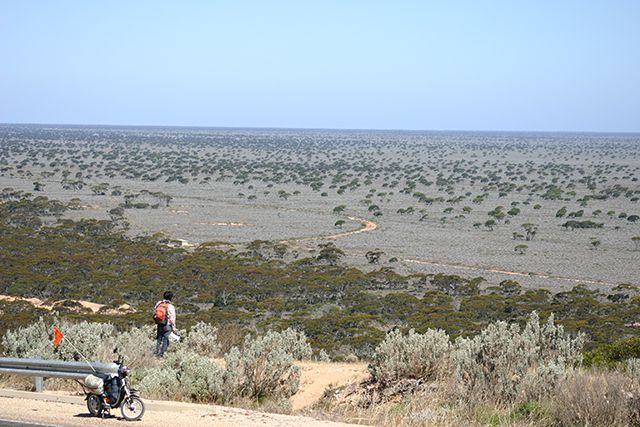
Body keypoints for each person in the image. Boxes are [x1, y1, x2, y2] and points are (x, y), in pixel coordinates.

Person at [154, 291, 177, 357]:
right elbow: (172, 318)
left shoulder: (159, 303)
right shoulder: (170, 306)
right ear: (171, 298)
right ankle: (162, 355)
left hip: (159, 323)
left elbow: (155, 311)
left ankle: (157, 353)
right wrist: (174, 327)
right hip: (167, 325)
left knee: (159, 339)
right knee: (166, 339)